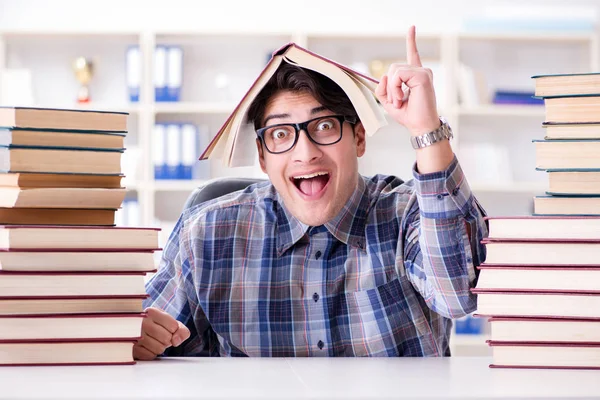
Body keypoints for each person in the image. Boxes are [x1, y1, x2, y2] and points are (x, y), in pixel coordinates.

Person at [133, 26, 488, 360]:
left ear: (359, 138)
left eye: (324, 126)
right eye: (281, 134)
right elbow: (157, 345)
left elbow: (457, 297)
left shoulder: (409, 213)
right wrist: (137, 338)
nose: (306, 152)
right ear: (261, 156)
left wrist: (426, 129)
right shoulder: (206, 233)